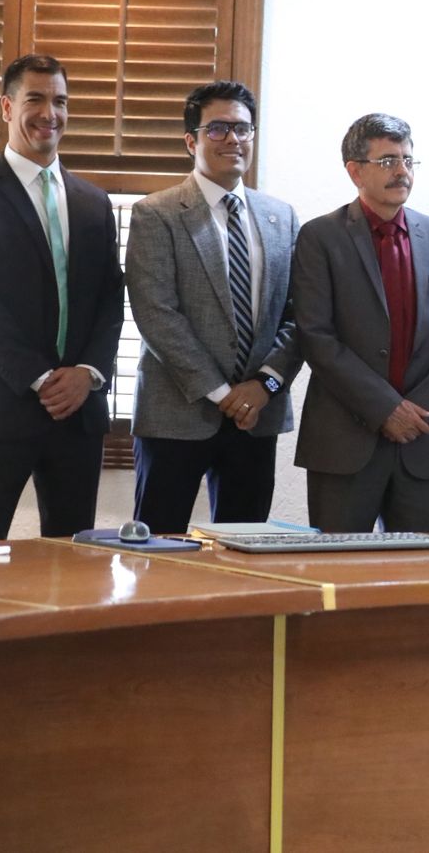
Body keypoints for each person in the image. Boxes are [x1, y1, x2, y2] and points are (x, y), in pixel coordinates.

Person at [0, 53, 125, 541]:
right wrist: (41, 379)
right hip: (2, 407)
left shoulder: (94, 202)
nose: (50, 113)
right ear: (7, 107)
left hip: (79, 412)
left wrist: (87, 374)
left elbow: (111, 300)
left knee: (74, 561)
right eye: (36, 99)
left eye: (60, 101)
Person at [125, 81, 302, 533]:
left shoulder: (281, 216)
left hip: (255, 417)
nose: (233, 139)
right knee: (159, 549)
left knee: (245, 550)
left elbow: (299, 315)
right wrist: (224, 394)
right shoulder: (156, 214)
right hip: (176, 415)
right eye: (218, 129)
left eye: (243, 129)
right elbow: (157, 315)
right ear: (192, 141)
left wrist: (264, 384)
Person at [292, 113, 429, 533]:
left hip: (422, 437)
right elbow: (316, 336)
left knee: (416, 567)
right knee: (340, 568)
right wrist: (385, 409)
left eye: (408, 160)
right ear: (355, 171)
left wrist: (416, 409)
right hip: (345, 439)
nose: (402, 171)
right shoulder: (320, 238)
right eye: (388, 161)